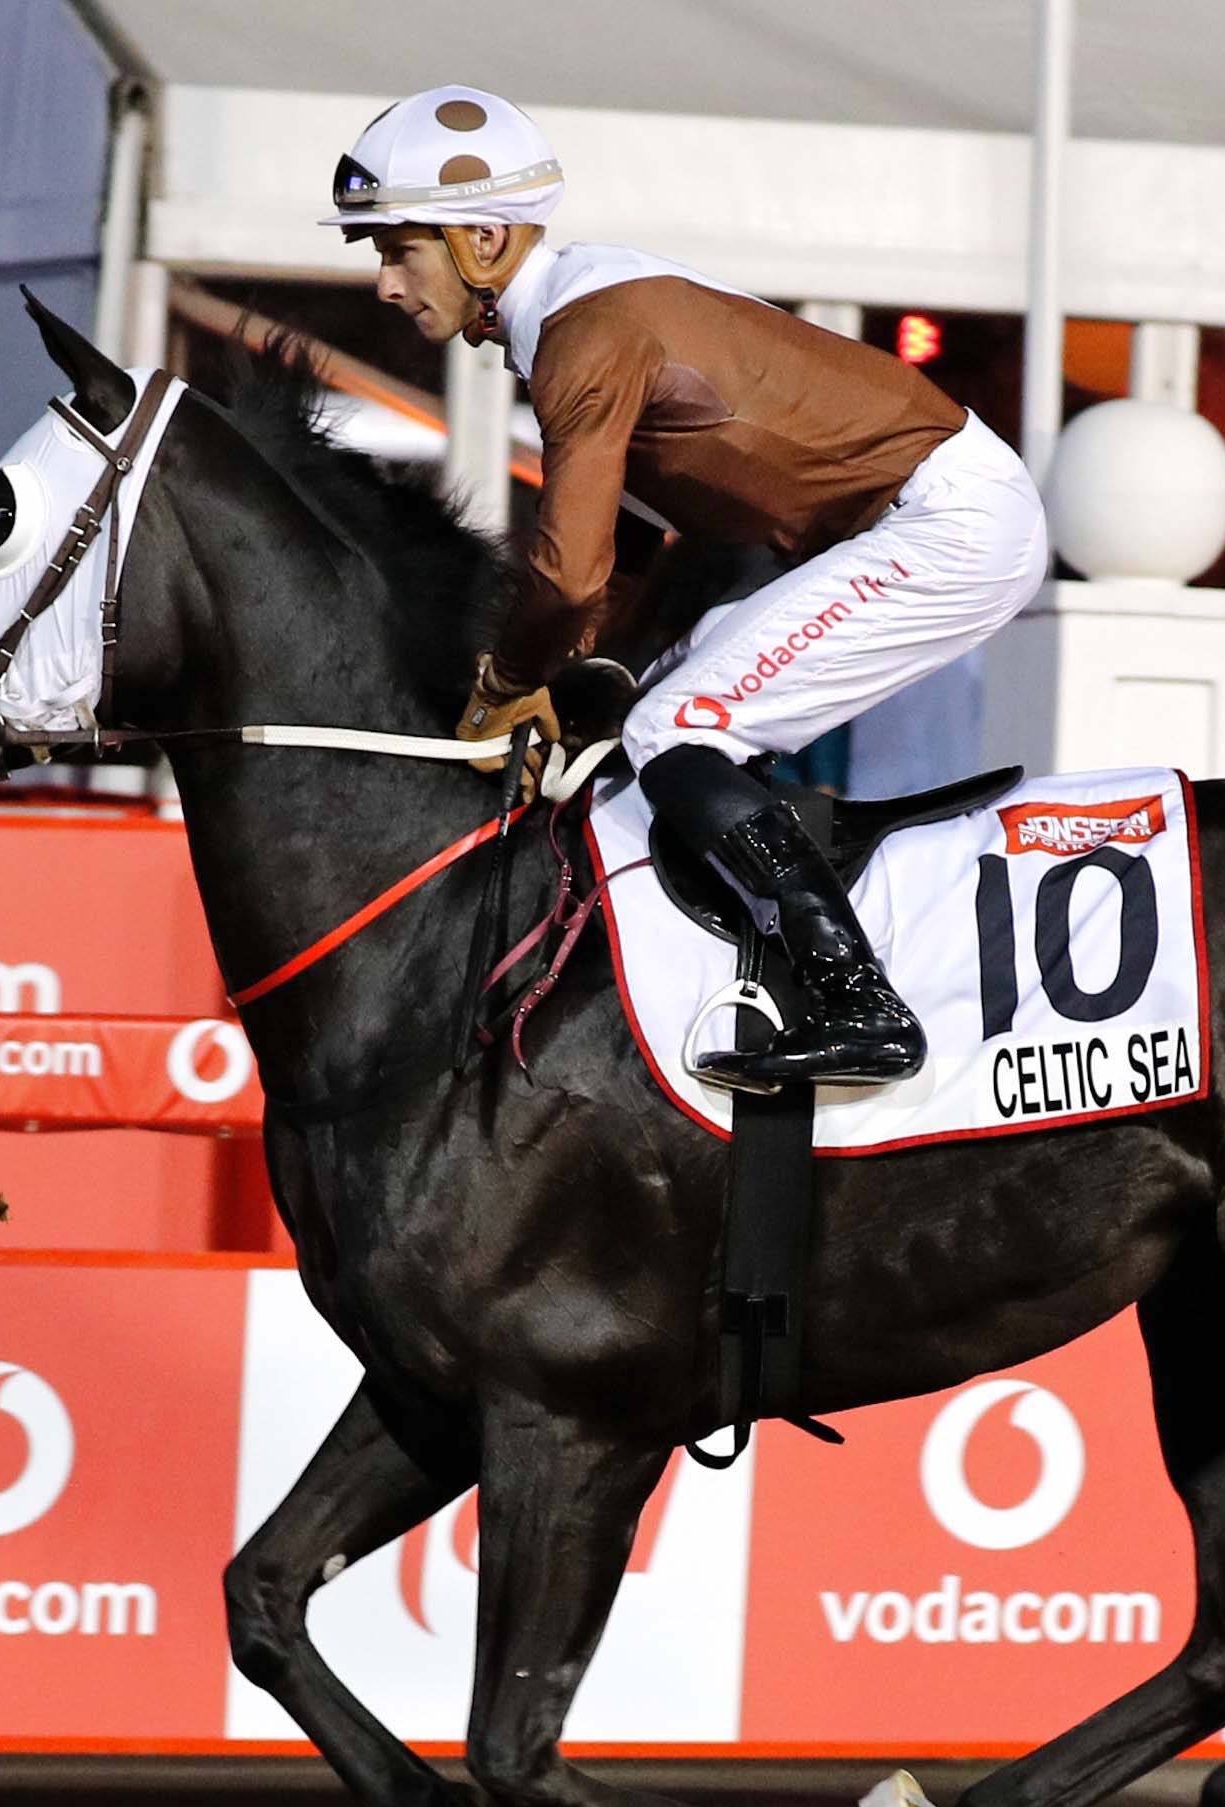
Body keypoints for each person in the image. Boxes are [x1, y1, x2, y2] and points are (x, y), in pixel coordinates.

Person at [327, 86, 1050, 1090]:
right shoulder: (578, 316)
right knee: (645, 723)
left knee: (678, 727)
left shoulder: (585, 336)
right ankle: (773, 924)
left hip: (948, 524)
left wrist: (501, 686)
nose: (384, 284)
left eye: (397, 250)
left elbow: (570, 572)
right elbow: (621, 550)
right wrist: (565, 686)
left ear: (484, 239)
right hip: (913, 519)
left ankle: (859, 1002)